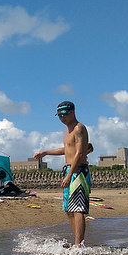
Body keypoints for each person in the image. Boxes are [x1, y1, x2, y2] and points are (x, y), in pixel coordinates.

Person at [34, 101, 90, 247]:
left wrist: (69, 174)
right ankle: (77, 242)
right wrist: (45, 152)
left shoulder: (79, 128)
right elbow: (66, 149)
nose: (62, 118)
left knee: (78, 209)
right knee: (68, 209)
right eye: (59, 116)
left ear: (72, 112)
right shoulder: (67, 131)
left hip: (78, 172)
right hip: (69, 171)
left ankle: (78, 244)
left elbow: (79, 153)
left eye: (64, 115)